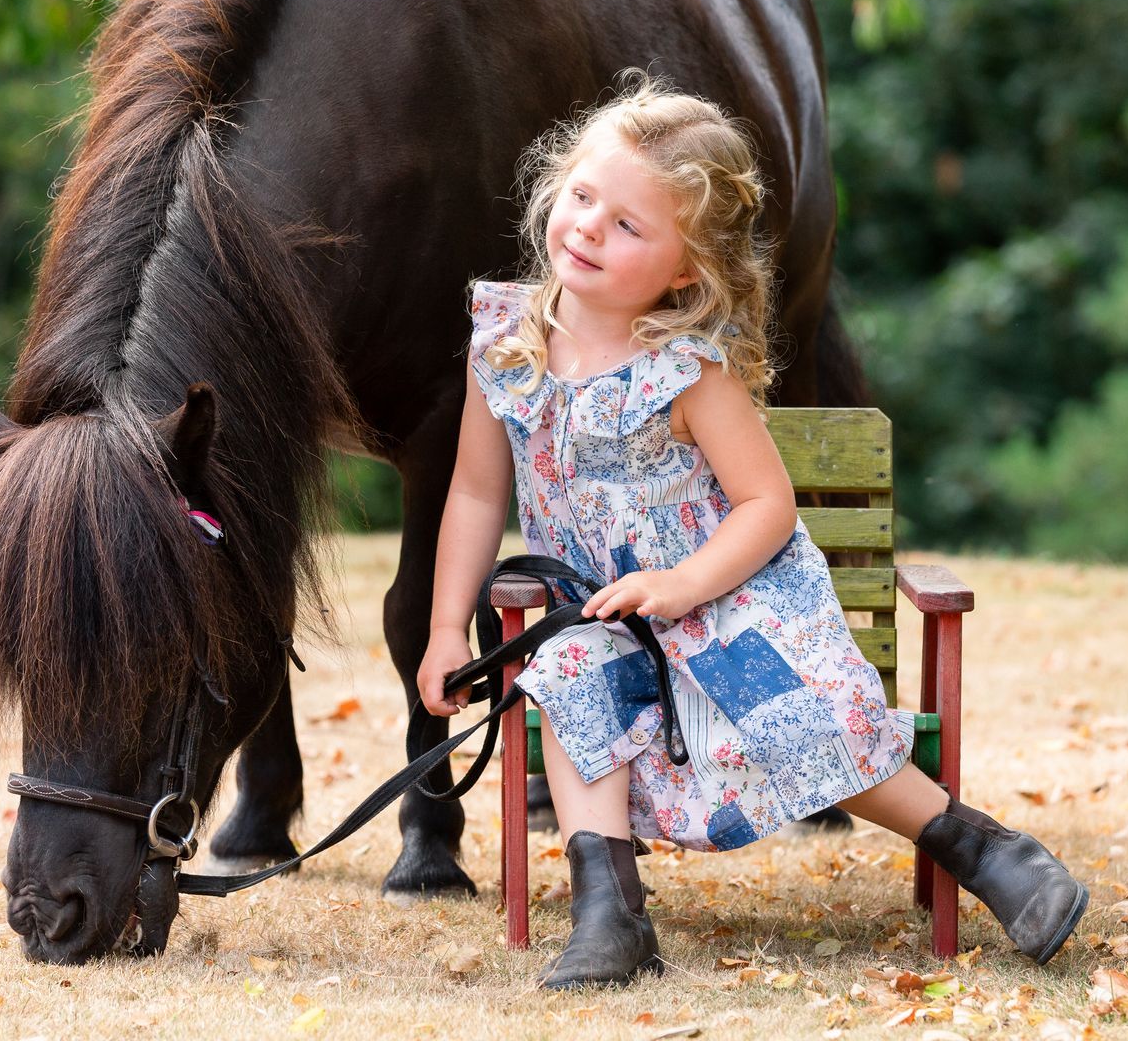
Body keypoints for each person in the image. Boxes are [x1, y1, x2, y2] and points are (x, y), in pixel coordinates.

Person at [417, 73, 1088, 989]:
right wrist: (447, 627)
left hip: (728, 597)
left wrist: (683, 585)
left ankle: (984, 850)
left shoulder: (688, 371)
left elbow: (768, 506)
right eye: (582, 197)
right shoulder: (503, 345)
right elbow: (471, 494)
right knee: (568, 679)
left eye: (628, 226)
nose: (587, 228)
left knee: (791, 711)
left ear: (685, 268)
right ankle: (610, 914)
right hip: (605, 615)